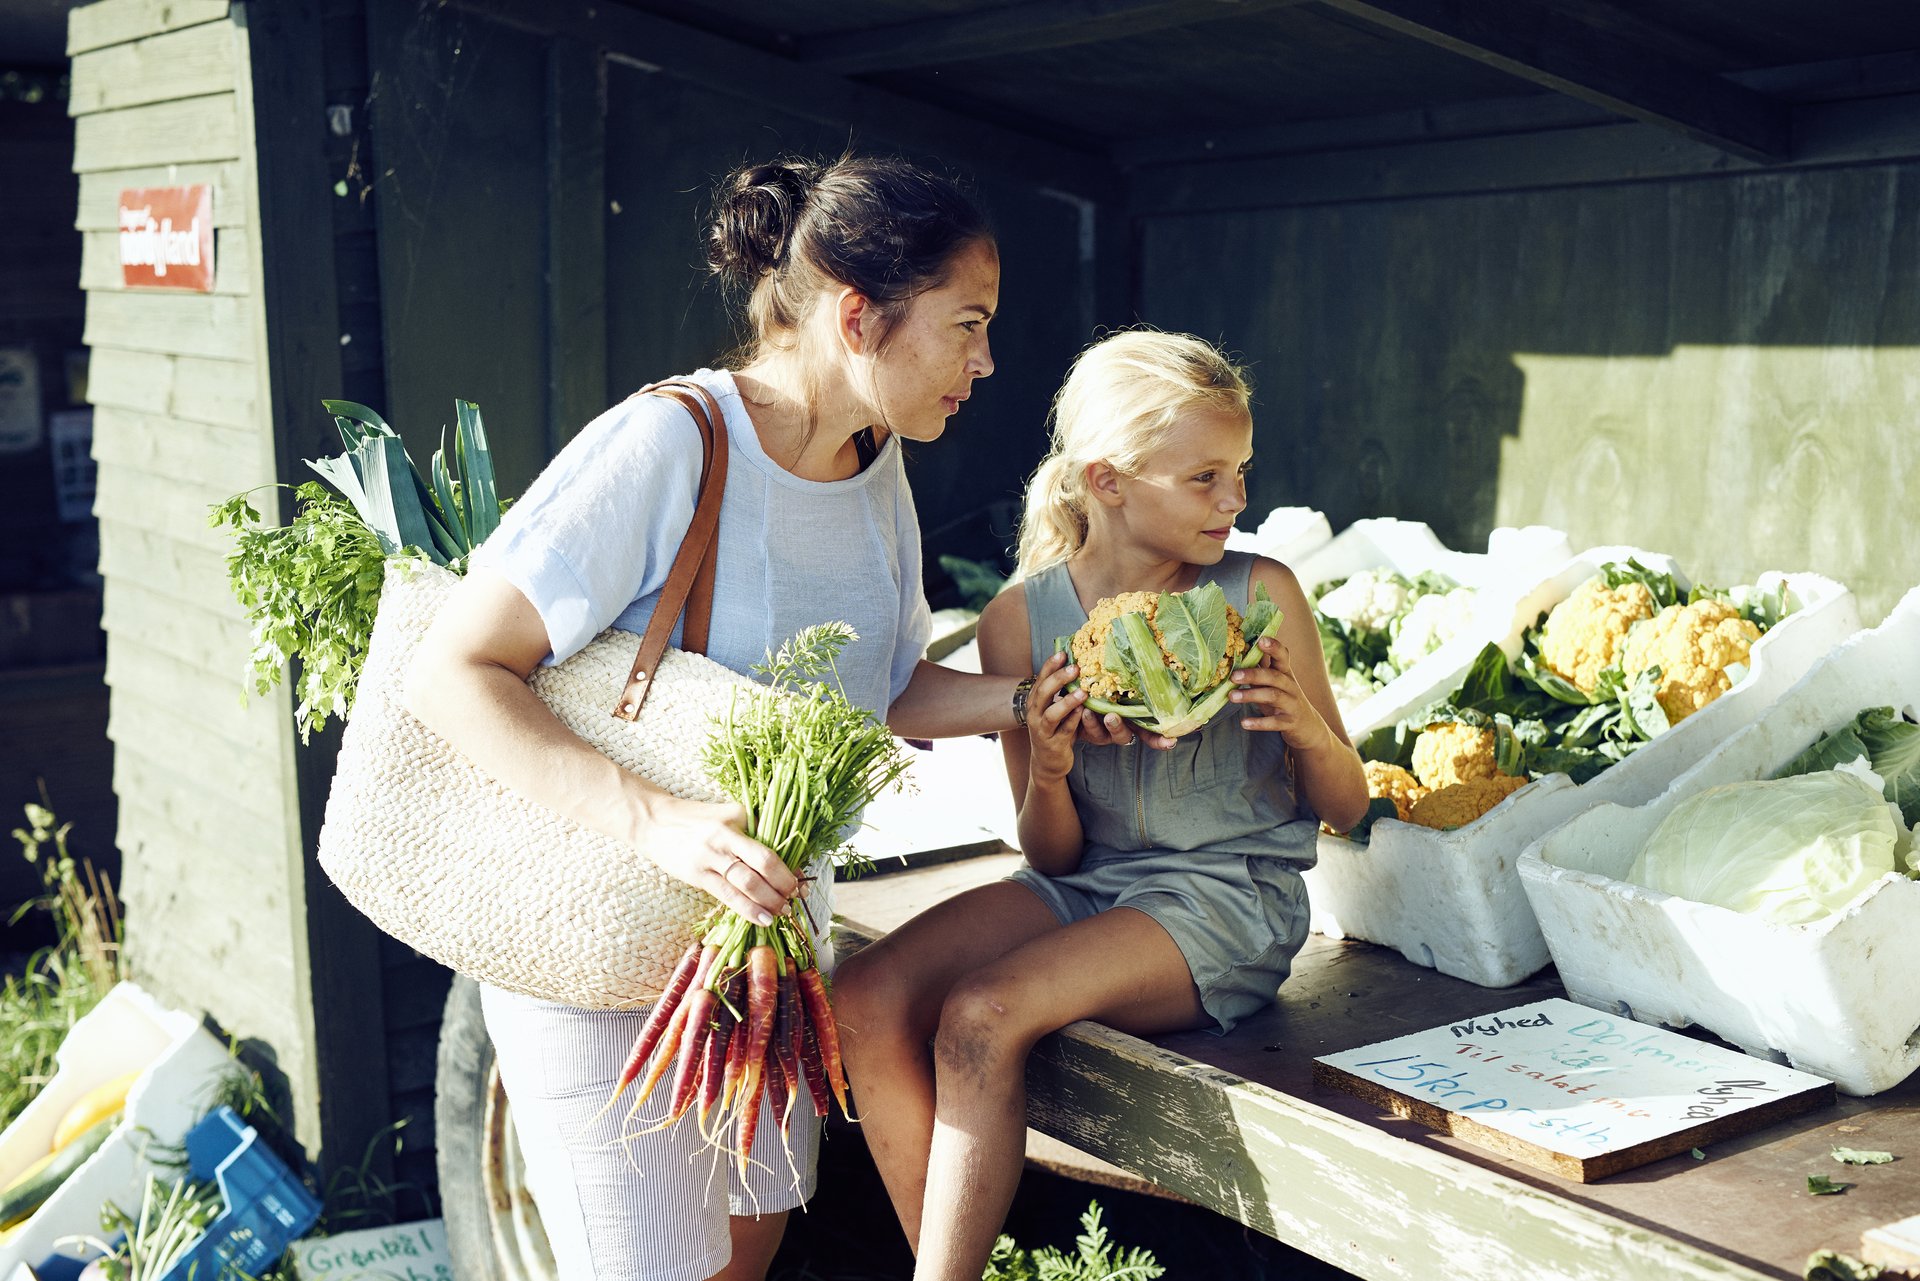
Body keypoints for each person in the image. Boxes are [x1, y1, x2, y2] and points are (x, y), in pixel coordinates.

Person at [404, 154, 1115, 1281]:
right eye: (967, 325)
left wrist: (1028, 701)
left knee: (747, 1253)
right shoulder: (668, 444)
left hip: (759, 961)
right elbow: (453, 669)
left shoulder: (874, 465)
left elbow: (877, 691)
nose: (986, 362)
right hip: (602, 952)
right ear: (856, 316)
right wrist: (658, 824)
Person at [834, 329, 1370, 1281]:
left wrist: (1305, 730)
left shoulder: (1260, 592)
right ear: (1110, 481)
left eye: (1240, 471)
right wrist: (1046, 767)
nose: (1236, 501)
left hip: (1226, 900)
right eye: (1205, 477)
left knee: (980, 1015)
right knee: (865, 997)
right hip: (1091, 885)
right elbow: (1052, 858)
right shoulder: (1021, 620)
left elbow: (1349, 803)